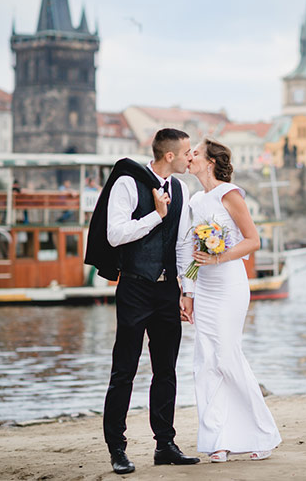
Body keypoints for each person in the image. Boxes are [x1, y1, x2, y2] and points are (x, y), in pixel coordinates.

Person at [84, 128, 199, 475]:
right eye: (187, 152)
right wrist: (156, 216)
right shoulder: (127, 183)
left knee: (166, 370)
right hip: (134, 288)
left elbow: (182, 243)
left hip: (167, 291)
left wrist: (186, 290)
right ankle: (117, 448)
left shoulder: (181, 188)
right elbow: (115, 234)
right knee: (125, 370)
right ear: (169, 156)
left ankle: (165, 444)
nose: (190, 157)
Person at [187, 139, 282, 462]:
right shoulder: (195, 199)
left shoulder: (230, 194)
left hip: (229, 285)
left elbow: (252, 240)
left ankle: (261, 432)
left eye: (195, 153)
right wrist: (188, 292)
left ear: (211, 161)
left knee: (227, 357)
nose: (190, 157)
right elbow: (189, 251)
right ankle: (217, 439)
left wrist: (220, 257)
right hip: (205, 288)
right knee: (205, 361)